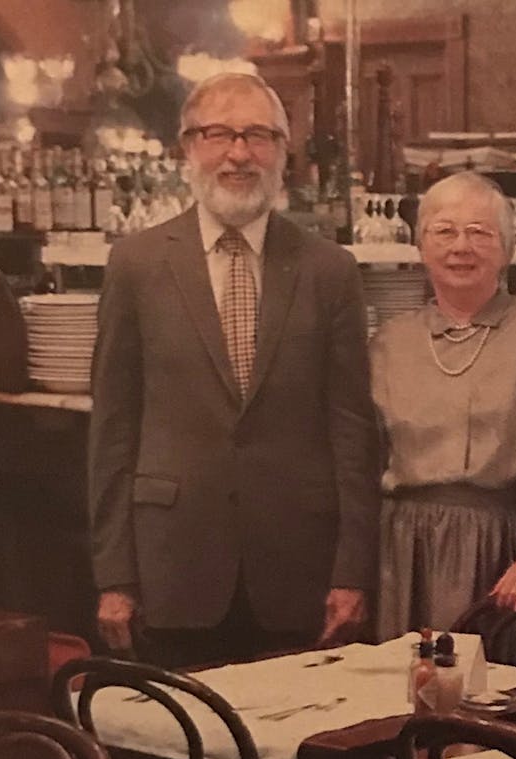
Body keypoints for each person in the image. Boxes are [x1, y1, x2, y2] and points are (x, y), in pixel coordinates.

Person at [89, 72, 380, 667]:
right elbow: (114, 429)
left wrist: (353, 571)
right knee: (178, 750)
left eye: (258, 136)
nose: (239, 153)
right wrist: (115, 574)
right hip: (172, 568)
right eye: (220, 134)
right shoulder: (135, 265)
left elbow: (353, 431)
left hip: (300, 573)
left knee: (300, 751)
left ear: (283, 151)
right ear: (188, 148)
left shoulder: (330, 271)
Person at [371, 171, 516, 640]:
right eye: (445, 231)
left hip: (508, 555)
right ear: (420, 246)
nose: (461, 246)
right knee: (407, 700)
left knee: (506, 699)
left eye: (480, 232)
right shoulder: (390, 342)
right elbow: (360, 461)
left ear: (507, 249)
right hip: (404, 555)